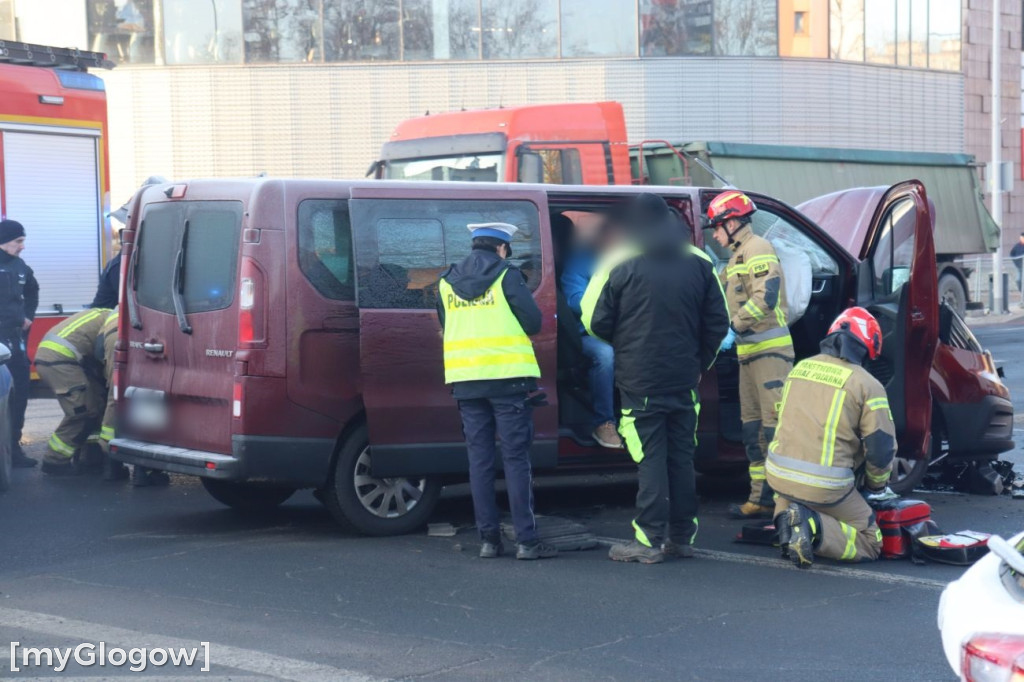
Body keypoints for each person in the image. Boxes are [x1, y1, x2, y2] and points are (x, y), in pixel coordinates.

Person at [582, 194, 729, 564]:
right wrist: (699, 363)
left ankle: (648, 541)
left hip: (640, 379)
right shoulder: (700, 261)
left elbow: (591, 319)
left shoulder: (618, 261)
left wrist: (627, 345)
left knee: (650, 459)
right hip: (684, 378)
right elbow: (719, 322)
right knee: (681, 457)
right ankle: (681, 537)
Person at [436, 222, 557, 561]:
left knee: (479, 461)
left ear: (476, 245)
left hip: (466, 381)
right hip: (508, 380)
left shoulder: (446, 281)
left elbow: (447, 325)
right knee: (516, 459)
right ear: (502, 248)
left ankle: (489, 541)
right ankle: (526, 541)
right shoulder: (507, 275)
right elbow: (533, 322)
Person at [767, 307, 897, 568]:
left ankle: (788, 523)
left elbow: (780, 419)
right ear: (868, 346)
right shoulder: (868, 384)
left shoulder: (800, 368)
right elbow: (880, 448)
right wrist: (876, 487)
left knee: (795, 499)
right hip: (824, 486)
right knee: (871, 540)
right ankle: (811, 526)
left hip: (778, 476)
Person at [706, 191, 794, 521]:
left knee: (775, 430)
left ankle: (786, 501)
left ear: (732, 222)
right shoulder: (736, 257)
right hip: (748, 354)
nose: (714, 234)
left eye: (717, 227)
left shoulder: (758, 248)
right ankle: (760, 498)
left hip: (770, 352)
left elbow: (765, 297)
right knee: (753, 430)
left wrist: (734, 326)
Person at [560, 214, 622, 449]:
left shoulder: (628, 259)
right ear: (601, 238)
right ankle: (604, 422)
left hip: (625, 332)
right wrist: (615, 311)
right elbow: (576, 299)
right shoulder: (581, 260)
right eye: (613, 238)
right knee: (605, 355)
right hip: (586, 334)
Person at [34, 308, 112, 475]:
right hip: (60, 361)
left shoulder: (106, 314)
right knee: (83, 411)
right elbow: (104, 357)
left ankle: (91, 457)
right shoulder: (117, 324)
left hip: (59, 358)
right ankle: (54, 461)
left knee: (96, 403)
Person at [0, 220, 39, 468]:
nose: (23, 246)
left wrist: (28, 317)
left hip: (15, 342)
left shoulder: (21, 267)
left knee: (19, 395)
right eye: (19, 242)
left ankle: (13, 449)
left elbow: (33, 291)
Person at [1011, 233, 1024, 298]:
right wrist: (1016, 263)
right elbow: (1012, 254)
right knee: (1018, 280)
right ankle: (1022, 292)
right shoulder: (1017, 246)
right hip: (1020, 267)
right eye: (1021, 238)